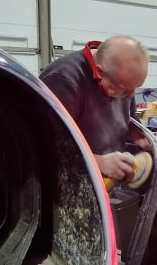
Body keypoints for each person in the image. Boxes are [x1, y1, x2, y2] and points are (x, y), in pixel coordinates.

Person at [40, 36, 150, 180]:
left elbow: (127, 118)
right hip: (67, 183)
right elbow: (44, 146)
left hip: (103, 181)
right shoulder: (63, 81)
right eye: (124, 89)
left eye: (134, 88)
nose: (130, 95)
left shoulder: (122, 79)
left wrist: (138, 135)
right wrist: (98, 162)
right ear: (99, 72)